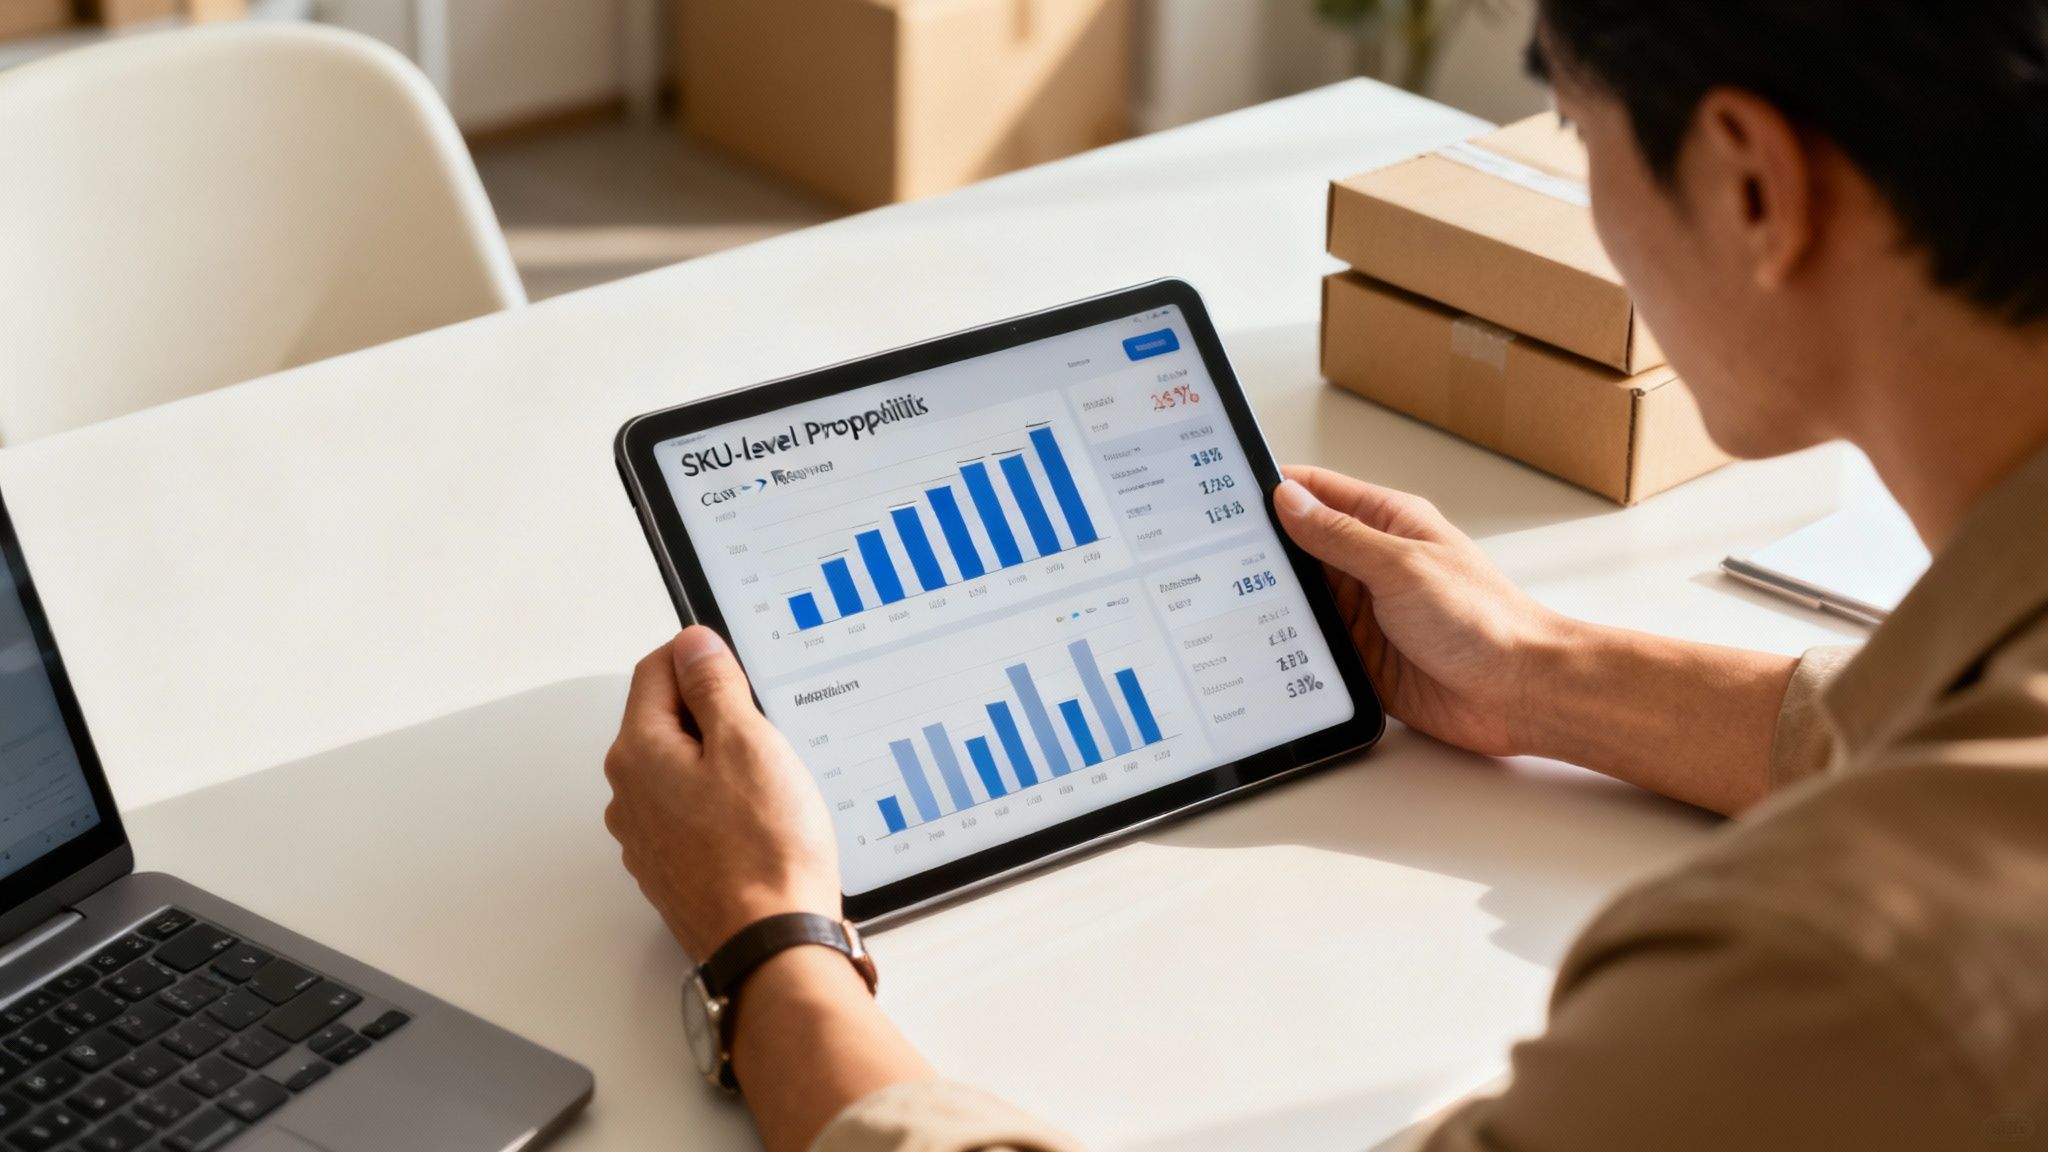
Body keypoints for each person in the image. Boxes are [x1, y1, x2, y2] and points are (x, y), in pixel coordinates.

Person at [602, 1, 2048, 1148]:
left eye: (1579, 142)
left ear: (1749, 182)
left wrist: (768, 949)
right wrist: (1548, 676)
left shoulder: (1829, 977)